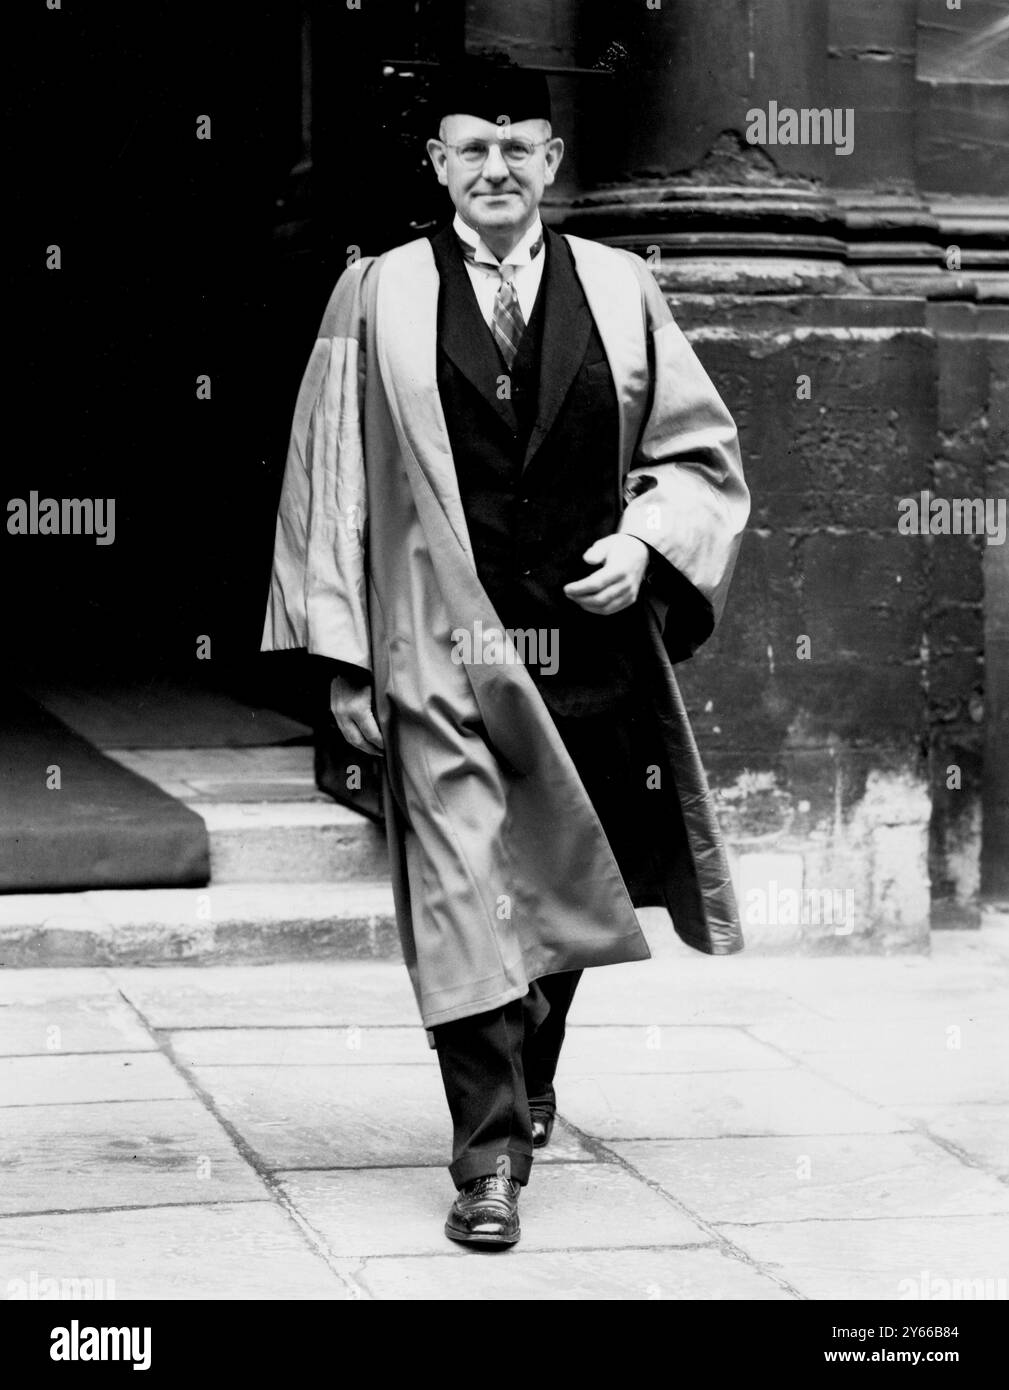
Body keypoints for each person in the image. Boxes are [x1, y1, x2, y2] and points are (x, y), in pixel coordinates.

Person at [262, 56, 750, 1247]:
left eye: (517, 146)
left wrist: (646, 543)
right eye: (470, 147)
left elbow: (698, 455)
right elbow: (327, 485)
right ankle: (487, 1154)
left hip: (585, 646)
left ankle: (527, 1071)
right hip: (433, 644)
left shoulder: (623, 286)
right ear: (437, 165)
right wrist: (340, 659)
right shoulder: (373, 293)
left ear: (552, 163)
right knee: (463, 888)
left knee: (566, 877)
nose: (495, 167)